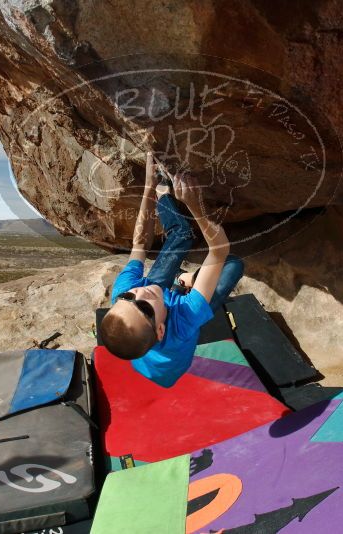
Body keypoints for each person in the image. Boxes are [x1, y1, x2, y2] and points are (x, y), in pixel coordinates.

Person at [99, 152, 244, 387]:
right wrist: (194, 205)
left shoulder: (128, 291)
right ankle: (184, 282)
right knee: (234, 265)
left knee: (182, 235)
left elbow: (139, 244)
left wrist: (148, 188)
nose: (139, 292)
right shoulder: (184, 321)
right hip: (170, 365)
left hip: (152, 332)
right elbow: (219, 251)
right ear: (160, 331)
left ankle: (163, 196)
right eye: (144, 308)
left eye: (127, 298)